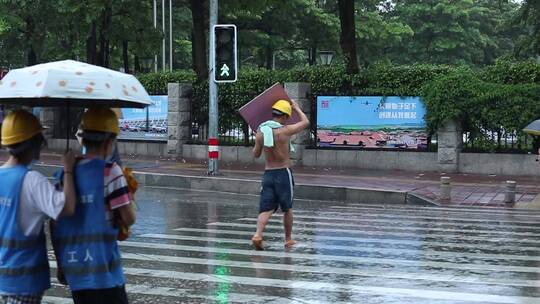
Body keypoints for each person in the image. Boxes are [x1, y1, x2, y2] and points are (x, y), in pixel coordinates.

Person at [51, 107, 136, 304]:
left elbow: (54, 224)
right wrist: (128, 195)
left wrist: (61, 265)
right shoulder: (111, 172)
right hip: (106, 273)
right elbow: (129, 218)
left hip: (76, 270)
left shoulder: (64, 174)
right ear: (110, 141)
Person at [0, 110, 76, 303]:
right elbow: (66, 209)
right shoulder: (32, 181)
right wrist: (68, 170)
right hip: (25, 280)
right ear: (33, 144)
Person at [251, 99, 310, 250]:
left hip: (268, 174)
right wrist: (296, 108)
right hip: (283, 173)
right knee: (287, 208)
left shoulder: (261, 133)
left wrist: (258, 139)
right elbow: (305, 122)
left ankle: (258, 234)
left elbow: (256, 155)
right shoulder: (285, 131)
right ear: (284, 116)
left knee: (266, 208)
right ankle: (288, 239)